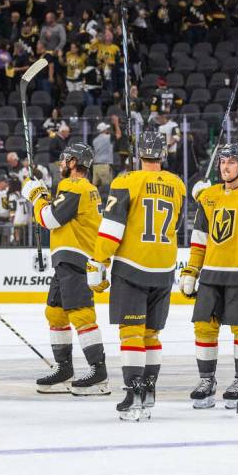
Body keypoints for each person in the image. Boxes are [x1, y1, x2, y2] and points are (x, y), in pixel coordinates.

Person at [87, 131, 186, 420]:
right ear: (163, 155)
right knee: (152, 334)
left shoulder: (126, 181)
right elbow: (177, 225)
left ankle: (133, 395)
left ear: (139, 153)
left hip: (133, 266)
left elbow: (112, 226)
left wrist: (98, 259)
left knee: (131, 333)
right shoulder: (177, 184)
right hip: (164, 266)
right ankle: (149, 391)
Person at [179, 143, 238, 409]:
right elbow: (199, 240)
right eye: (223, 161)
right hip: (212, 274)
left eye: (232, 161)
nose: (225, 166)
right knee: (203, 327)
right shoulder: (208, 196)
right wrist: (192, 269)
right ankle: (206, 380)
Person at [22, 143, 109, 395]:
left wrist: (36, 196)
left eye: (64, 160)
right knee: (56, 314)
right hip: (68, 258)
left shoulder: (74, 185)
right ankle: (64, 369)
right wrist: (44, 198)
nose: (61, 164)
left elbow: (49, 219)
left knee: (81, 315)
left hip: (76, 257)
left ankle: (98, 373)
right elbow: (60, 213)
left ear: (73, 163)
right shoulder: (82, 188)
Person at [91, 122, 114, 188]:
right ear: (104, 130)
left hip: (96, 165)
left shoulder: (95, 140)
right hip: (104, 165)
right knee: (106, 187)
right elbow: (118, 135)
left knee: (95, 187)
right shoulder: (108, 137)